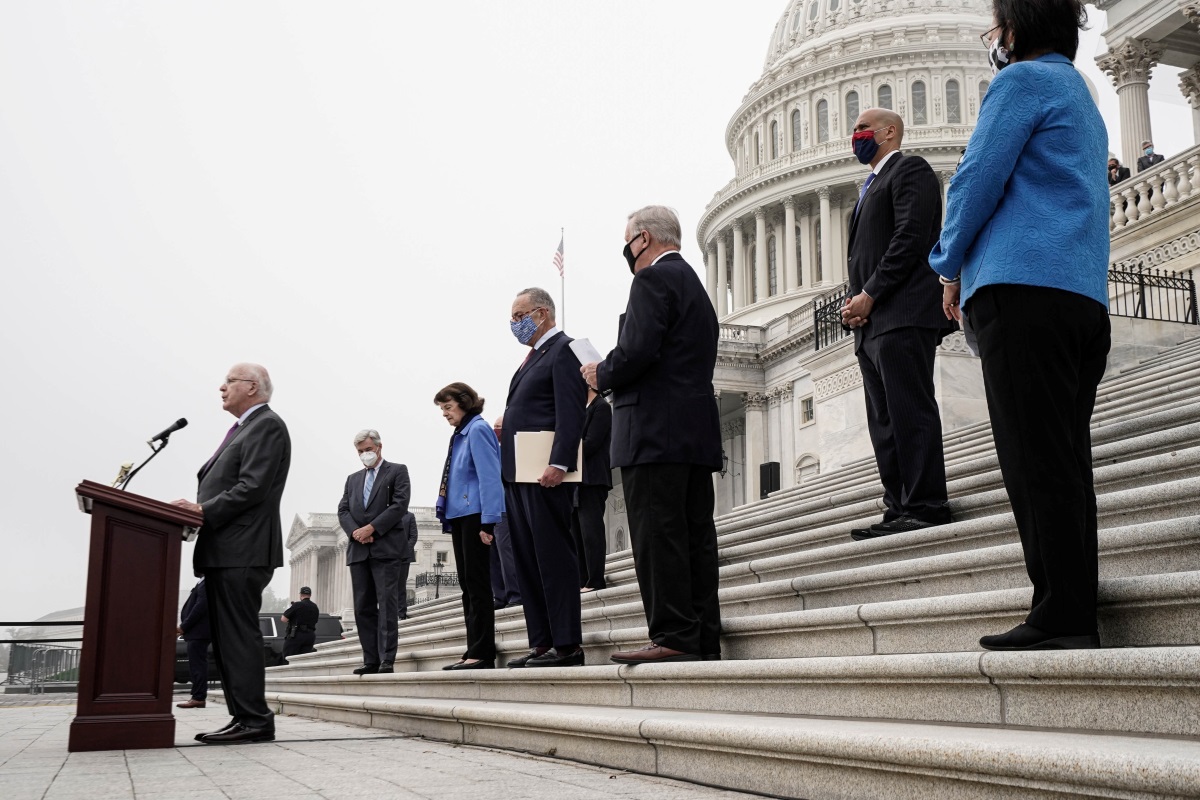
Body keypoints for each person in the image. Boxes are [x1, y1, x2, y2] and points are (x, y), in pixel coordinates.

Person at [930, 0, 1110, 651]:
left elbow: (978, 177)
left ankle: (1060, 610)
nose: (991, 38)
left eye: (997, 26)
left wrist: (947, 263)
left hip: (1023, 291)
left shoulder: (1020, 82)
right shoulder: (1081, 94)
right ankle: (1070, 602)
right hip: (1080, 296)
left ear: (1016, 31)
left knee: (1034, 459)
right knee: (1062, 458)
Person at [581, 206, 722, 664]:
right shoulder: (695, 287)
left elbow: (638, 351)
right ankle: (702, 637)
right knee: (695, 538)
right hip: (694, 433)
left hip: (653, 433)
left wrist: (600, 372)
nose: (626, 250)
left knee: (657, 538)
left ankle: (674, 634)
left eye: (627, 240)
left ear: (643, 238)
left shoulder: (651, 280)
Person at [840, 107, 955, 541]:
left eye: (862, 128)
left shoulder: (911, 171)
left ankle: (926, 503)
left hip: (902, 313)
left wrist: (871, 293)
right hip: (871, 324)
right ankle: (899, 505)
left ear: (889, 132)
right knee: (884, 420)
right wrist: (856, 302)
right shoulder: (868, 188)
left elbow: (910, 238)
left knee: (910, 409)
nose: (855, 136)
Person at [172, 362, 290, 745]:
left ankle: (255, 720)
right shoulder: (244, 429)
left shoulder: (267, 425)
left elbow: (253, 486)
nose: (221, 388)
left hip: (244, 547)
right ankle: (243, 716)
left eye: (229, 382)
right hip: (225, 549)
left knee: (238, 636)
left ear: (252, 387)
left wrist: (203, 509)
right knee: (225, 639)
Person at [502, 288, 587, 668]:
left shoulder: (564, 350)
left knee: (553, 558)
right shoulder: (531, 359)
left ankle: (567, 644)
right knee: (528, 561)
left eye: (520, 315)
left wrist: (561, 462)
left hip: (545, 474)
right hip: (519, 476)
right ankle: (541, 641)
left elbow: (571, 412)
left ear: (542, 313)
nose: (514, 323)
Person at [434, 382, 505, 670]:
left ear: (464, 403)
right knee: (467, 585)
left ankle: (483, 652)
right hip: (461, 514)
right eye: (442, 409)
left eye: (448, 407)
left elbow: (490, 476)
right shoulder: (461, 433)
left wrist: (488, 521)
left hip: (476, 515)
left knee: (477, 585)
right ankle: (473, 648)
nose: (445, 414)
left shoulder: (477, 429)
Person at [337, 429, 412, 675]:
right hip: (359, 551)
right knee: (363, 607)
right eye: (360, 452)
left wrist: (372, 528)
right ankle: (370, 658)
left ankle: (387, 658)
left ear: (379, 447)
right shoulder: (353, 479)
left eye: (367, 450)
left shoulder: (397, 471)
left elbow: (400, 505)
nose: (364, 455)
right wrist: (356, 532)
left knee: (387, 606)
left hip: (386, 550)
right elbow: (344, 510)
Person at [571, 388, 612, 592]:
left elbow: (592, 443)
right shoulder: (580, 409)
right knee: (577, 533)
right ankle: (582, 579)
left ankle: (595, 579)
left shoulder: (601, 407)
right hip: (577, 481)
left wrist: (562, 450)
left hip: (593, 478)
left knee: (591, 532)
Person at [488, 415, 522, 610]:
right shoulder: (492, 450)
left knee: (505, 551)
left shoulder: (513, 450)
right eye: (494, 427)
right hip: (490, 509)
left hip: (504, 507)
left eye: (499, 427)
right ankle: (499, 595)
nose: (495, 430)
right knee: (493, 555)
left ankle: (515, 593)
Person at [176, 575, 210, 709]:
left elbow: (201, 606)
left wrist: (184, 626)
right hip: (197, 632)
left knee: (197, 665)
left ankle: (198, 697)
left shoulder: (206, 583)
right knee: (196, 665)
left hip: (199, 632)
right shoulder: (202, 583)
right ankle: (197, 696)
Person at [280, 587, 319, 663]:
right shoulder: (315, 607)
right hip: (310, 635)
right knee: (304, 660)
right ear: (310, 595)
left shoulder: (297, 605)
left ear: (301, 595)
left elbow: (283, 619)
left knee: (288, 658)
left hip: (297, 635)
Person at [396, 511, 419, 620]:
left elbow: (413, 537)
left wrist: (403, 551)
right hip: (388, 555)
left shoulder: (410, 516)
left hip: (404, 558)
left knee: (400, 586)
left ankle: (401, 613)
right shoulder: (387, 514)